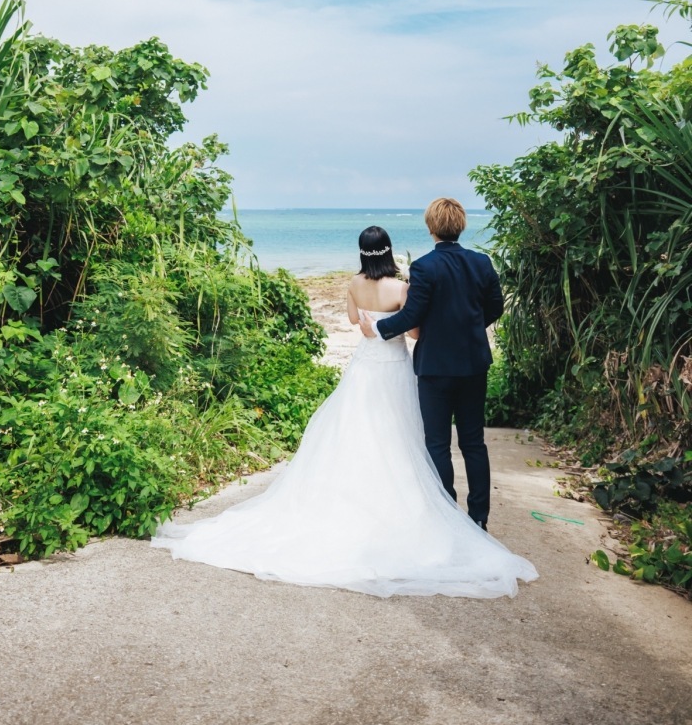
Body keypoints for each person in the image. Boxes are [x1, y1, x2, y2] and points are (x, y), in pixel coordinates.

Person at [152, 225, 537, 599]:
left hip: (365, 367)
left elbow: (356, 321)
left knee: (366, 433)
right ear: (388, 252)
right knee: (434, 439)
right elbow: (417, 330)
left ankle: (438, 506)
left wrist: (376, 323)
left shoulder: (354, 284)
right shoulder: (407, 284)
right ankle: (470, 517)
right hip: (408, 366)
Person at [359, 198, 501, 531]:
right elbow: (496, 305)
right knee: (473, 442)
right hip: (473, 364)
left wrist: (377, 329)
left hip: (435, 367)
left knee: (437, 443)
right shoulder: (481, 264)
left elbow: (412, 316)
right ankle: (479, 517)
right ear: (461, 225)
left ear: (430, 228)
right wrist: (469, 327)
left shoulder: (424, 268)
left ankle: (447, 512)